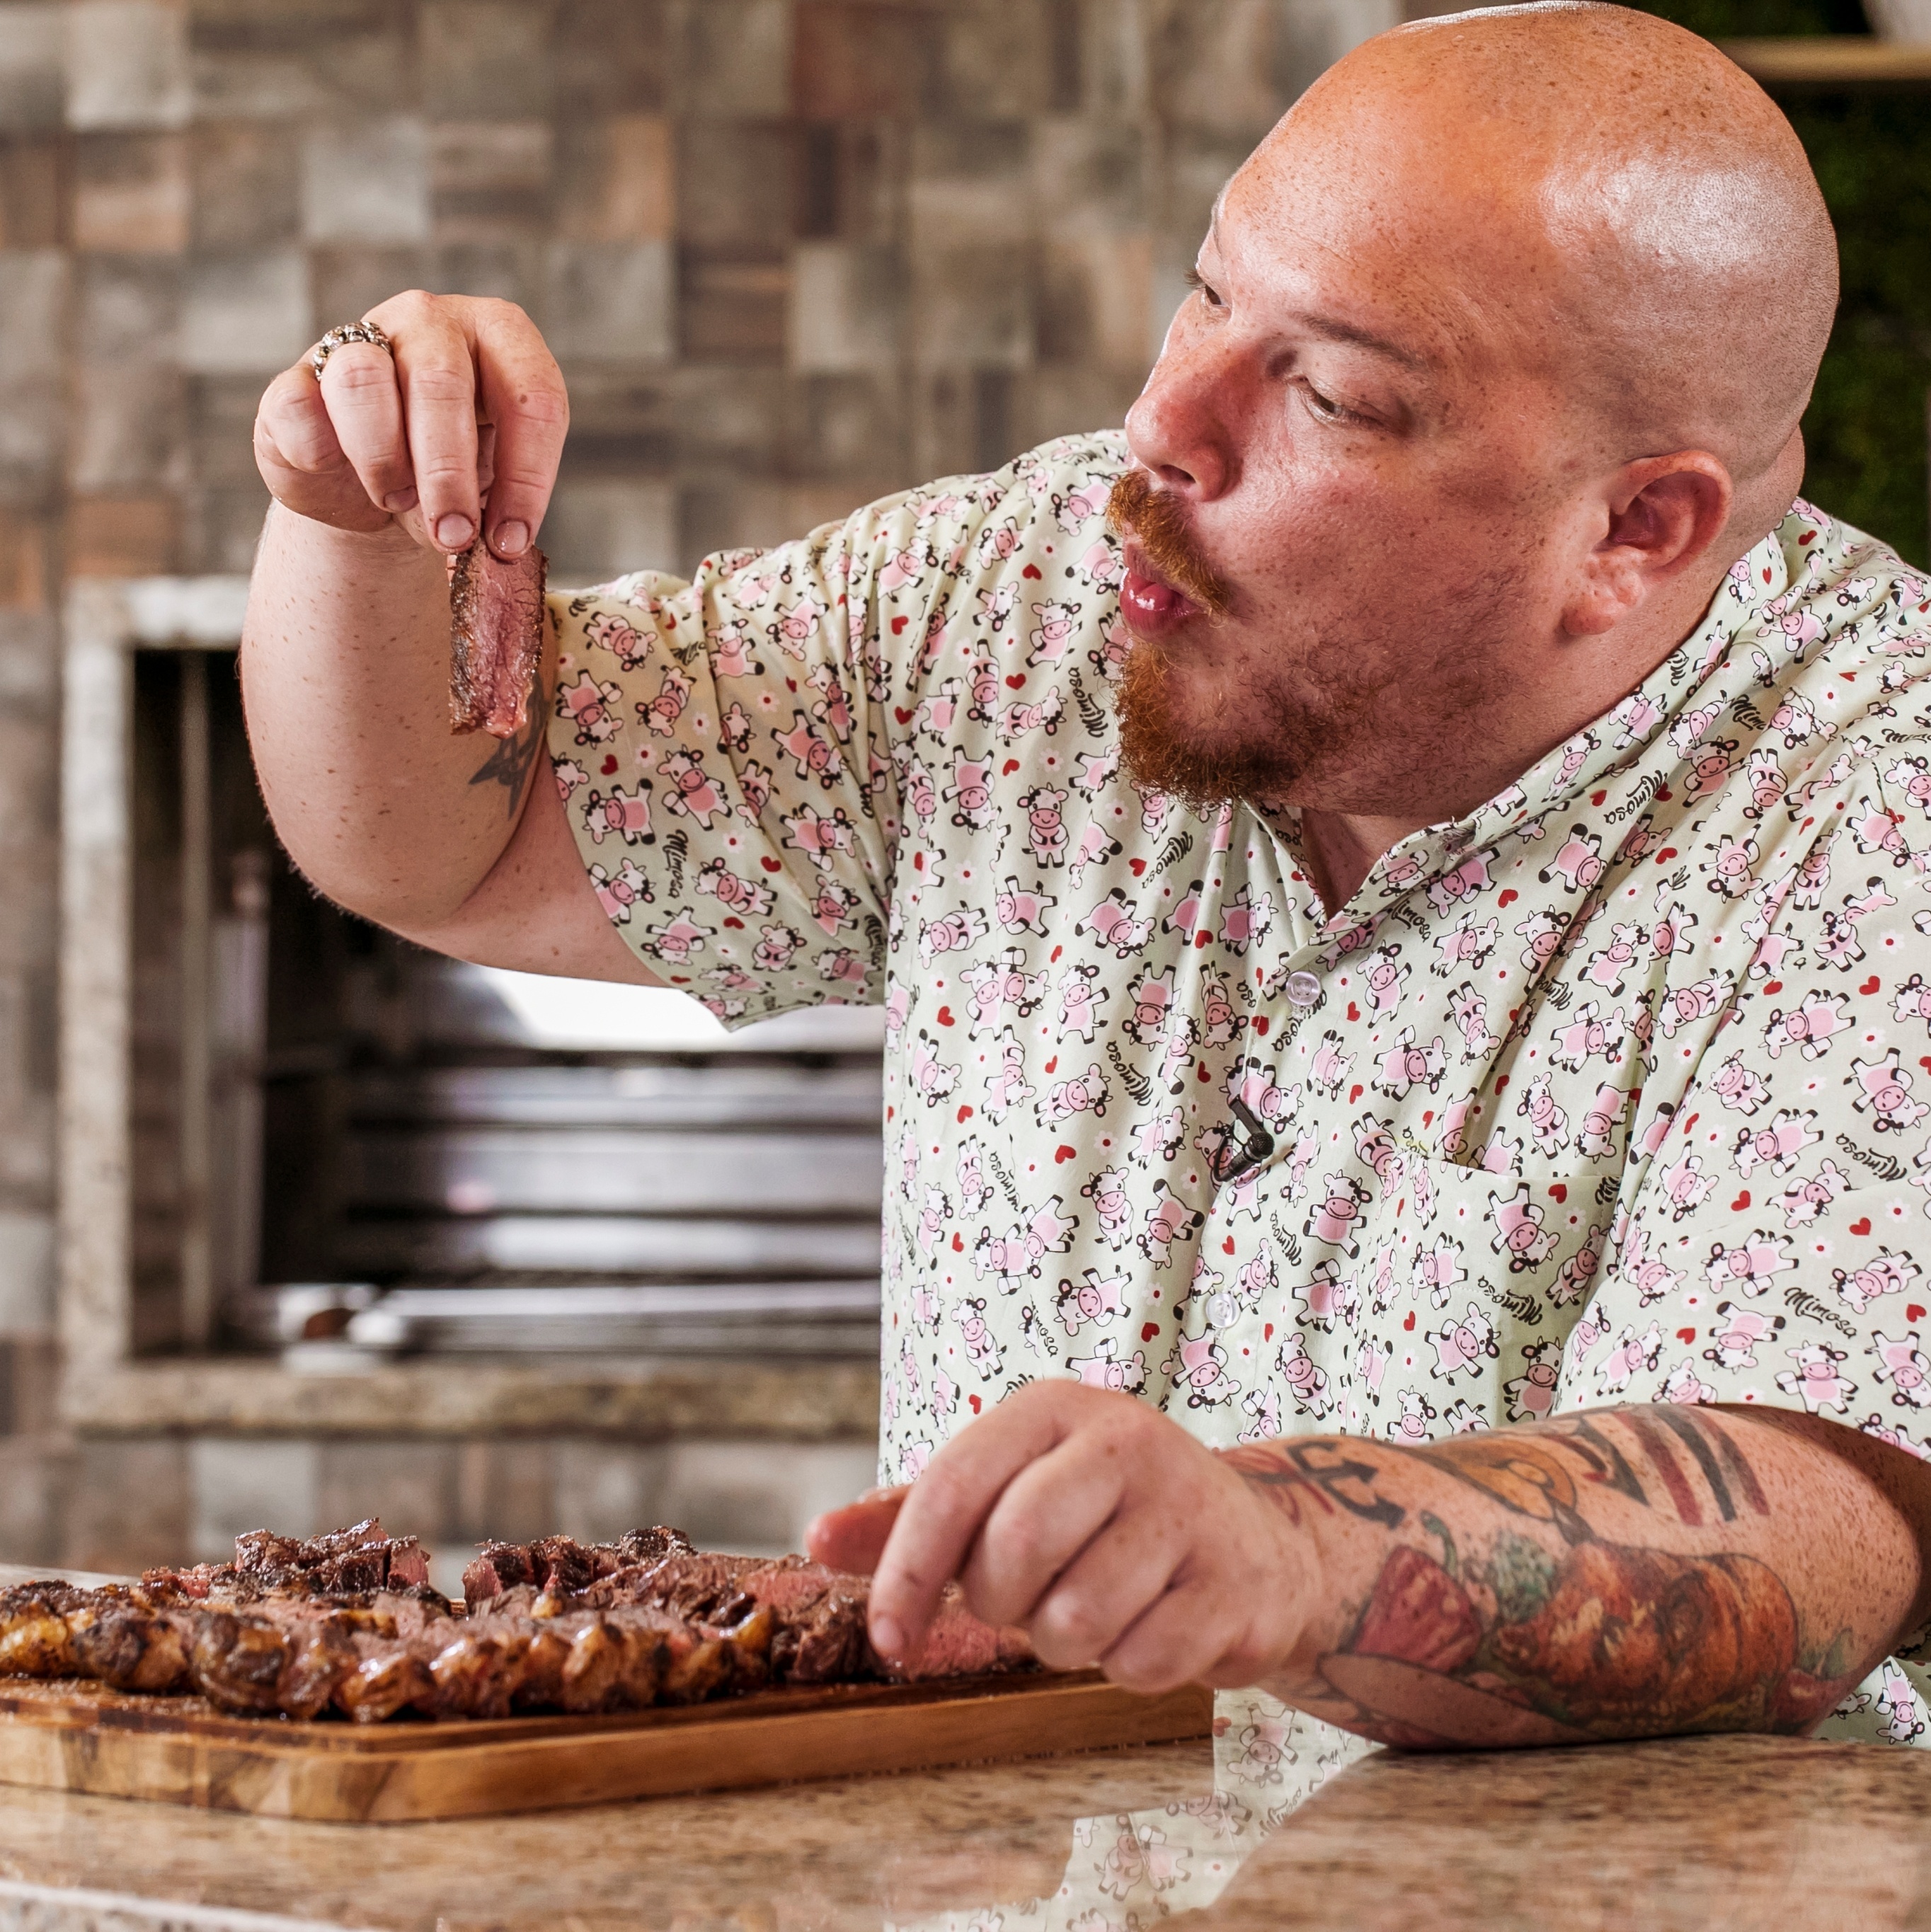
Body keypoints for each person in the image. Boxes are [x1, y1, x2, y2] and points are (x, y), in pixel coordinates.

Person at [243, 0, 1931, 1753]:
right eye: (1208, 297)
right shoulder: (1018, 597)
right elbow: (446, 843)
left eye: (1331, 394)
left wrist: (1293, 1546)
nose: (1156, 428)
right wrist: (350, 514)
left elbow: (1818, 1517)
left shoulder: (1877, 799)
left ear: (1630, 529)